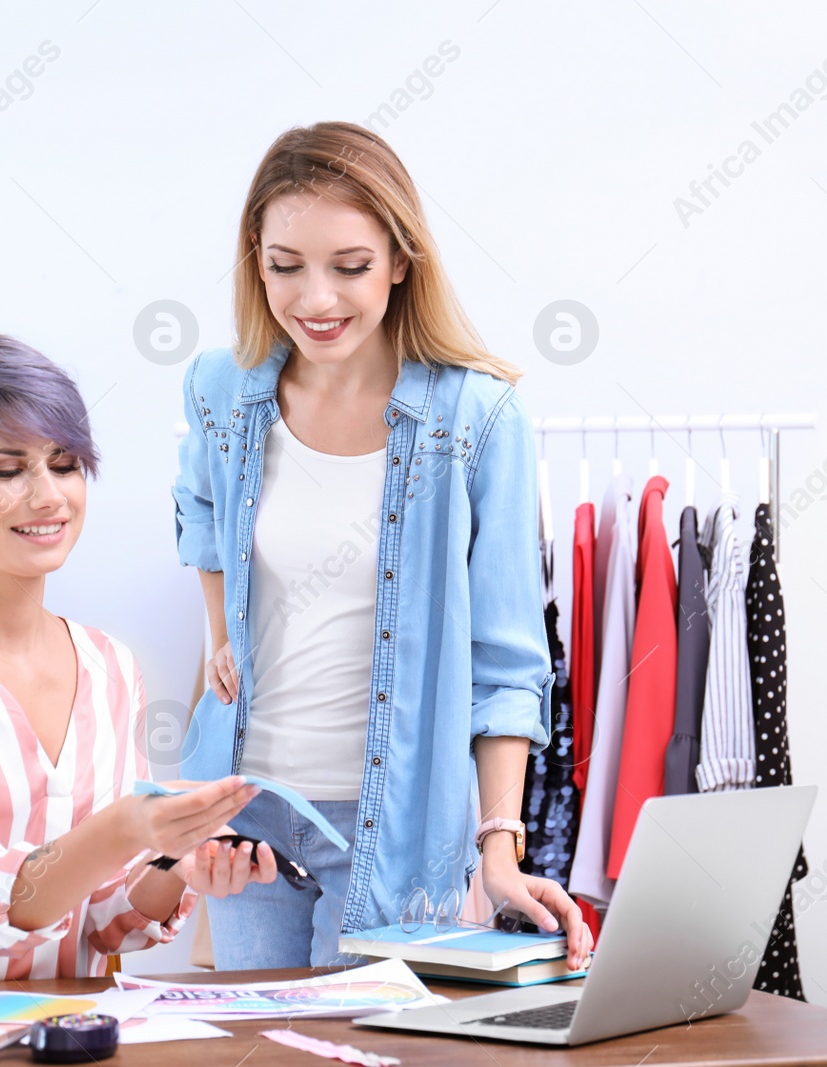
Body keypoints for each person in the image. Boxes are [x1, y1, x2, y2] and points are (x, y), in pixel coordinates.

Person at [172, 122, 593, 970]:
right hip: (242, 811)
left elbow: (508, 661)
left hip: (394, 826)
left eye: (350, 266)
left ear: (401, 259)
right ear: (256, 258)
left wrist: (499, 846)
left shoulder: (478, 418)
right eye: (285, 264)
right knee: (262, 1053)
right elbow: (200, 513)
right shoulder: (220, 388)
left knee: (375, 1052)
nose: (315, 298)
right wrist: (221, 630)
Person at [0, 335, 275, 986]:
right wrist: (126, 828)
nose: (48, 496)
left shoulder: (109, 665)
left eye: (64, 465)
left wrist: (174, 863)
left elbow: (102, 920)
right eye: (8, 470)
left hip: (68, 1040)